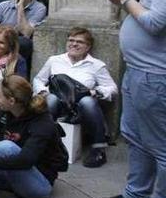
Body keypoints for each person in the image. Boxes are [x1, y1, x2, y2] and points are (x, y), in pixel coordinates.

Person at [94, 0, 166, 198]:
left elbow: (154, 23)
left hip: (155, 76)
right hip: (138, 71)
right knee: (135, 137)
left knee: (161, 145)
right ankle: (136, 195)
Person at [33, 27, 118, 168]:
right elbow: (38, 80)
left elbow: (112, 88)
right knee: (51, 100)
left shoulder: (96, 65)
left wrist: (94, 92)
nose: (74, 44)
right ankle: (39, 143)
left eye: (80, 42)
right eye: (71, 40)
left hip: (81, 108)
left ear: (88, 47)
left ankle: (98, 149)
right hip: (58, 103)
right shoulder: (54, 60)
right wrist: (43, 91)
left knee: (88, 102)